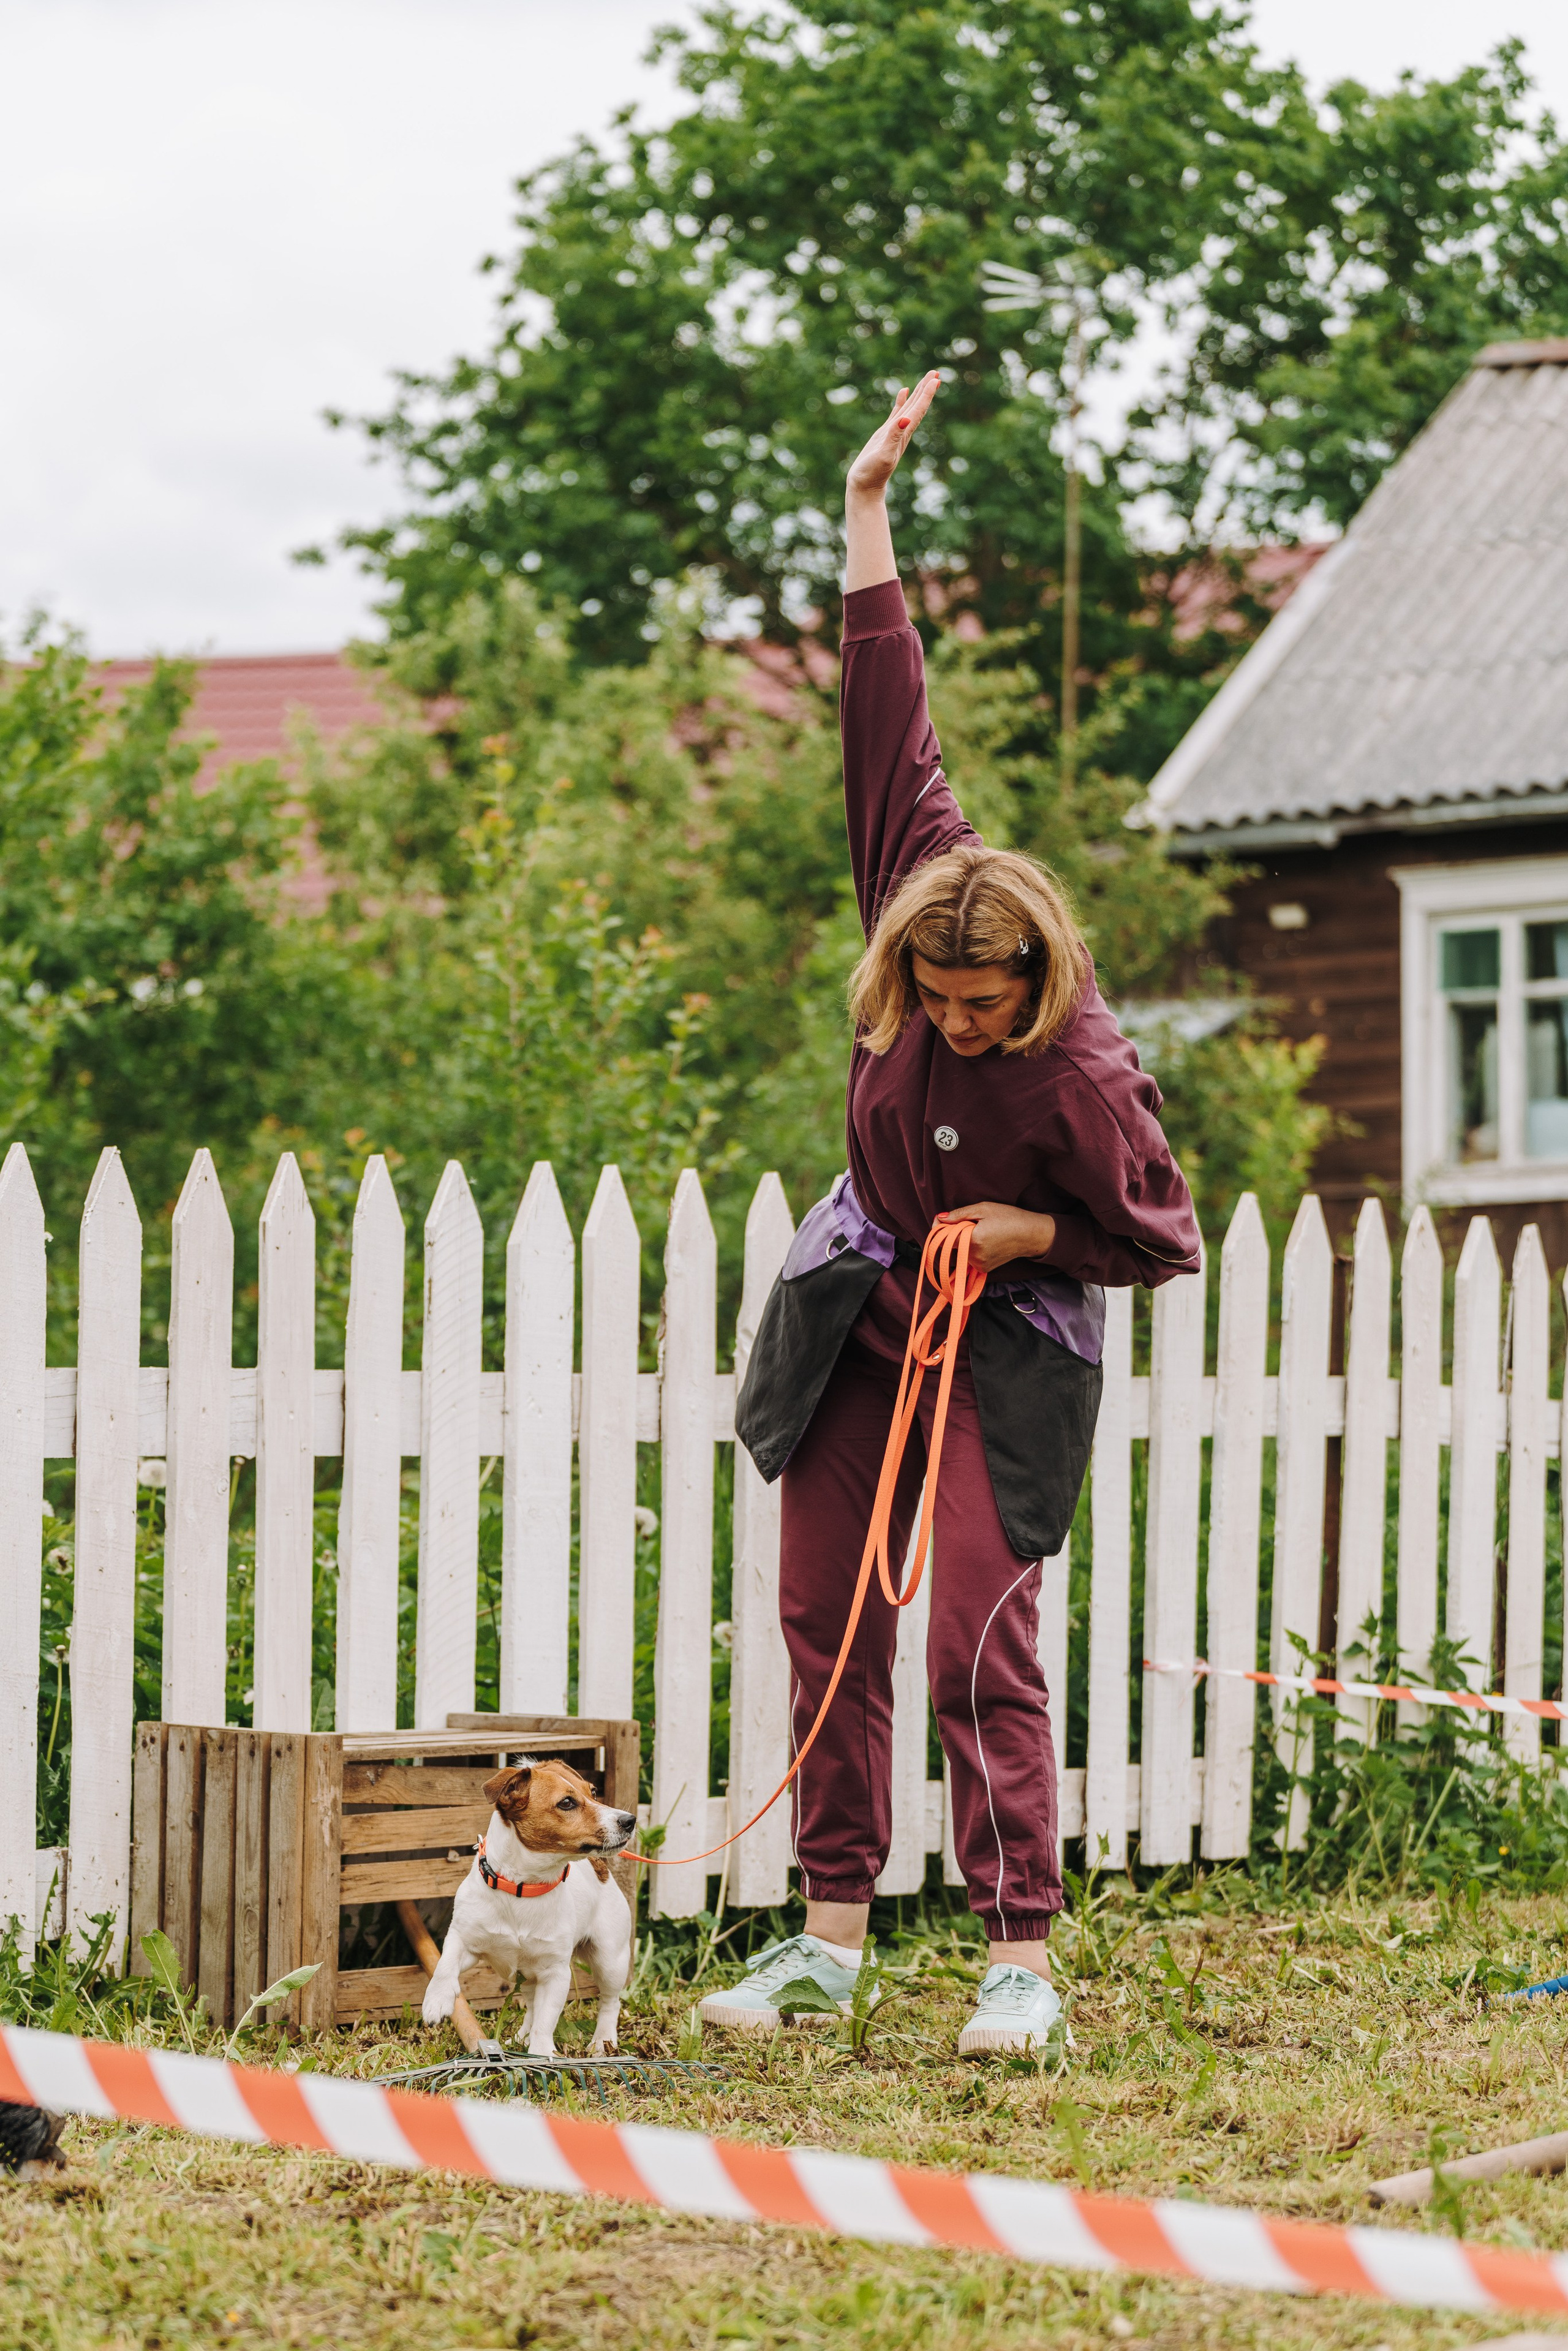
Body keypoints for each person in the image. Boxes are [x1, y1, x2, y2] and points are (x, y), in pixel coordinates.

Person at [707, 372, 1202, 2054]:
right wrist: (865, 514)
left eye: (987, 1004)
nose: (962, 1024)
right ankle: (828, 1944)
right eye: (938, 997)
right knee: (827, 1616)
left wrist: (1026, 1234)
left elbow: (1163, 1237)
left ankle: (1016, 1961)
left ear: (1034, 975)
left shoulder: (1081, 1077)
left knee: (976, 1643)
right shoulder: (921, 879)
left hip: (1008, 1339)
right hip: (861, 1302)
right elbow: (889, 709)